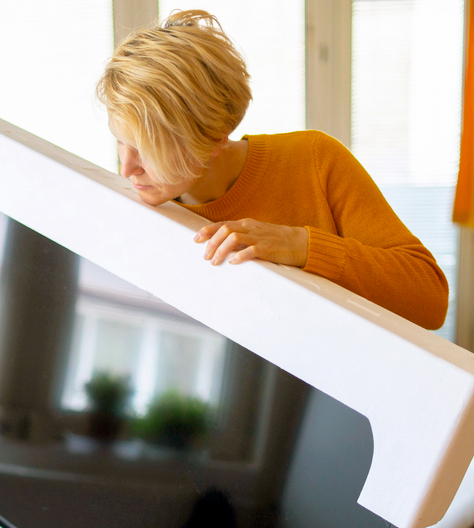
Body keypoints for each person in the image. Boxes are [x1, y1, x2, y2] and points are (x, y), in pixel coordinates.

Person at [96, 10, 449, 331]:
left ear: (215, 137)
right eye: (120, 142)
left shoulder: (314, 159)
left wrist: (301, 245)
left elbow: (430, 302)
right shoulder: (131, 210)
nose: (127, 168)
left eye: (146, 149)